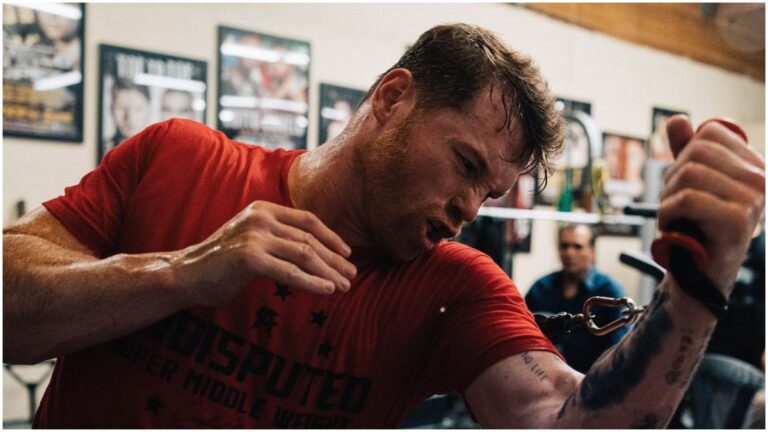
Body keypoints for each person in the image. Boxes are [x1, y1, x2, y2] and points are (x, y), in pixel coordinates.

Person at [4, 23, 764, 428]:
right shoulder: (181, 160)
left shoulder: (451, 288)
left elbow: (567, 425)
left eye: (491, 192)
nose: (473, 208)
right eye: (468, 165)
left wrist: (699, 285)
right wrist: (178, 272)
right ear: (393, 98)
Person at [525, 224, 628, 373]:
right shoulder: (541, 287)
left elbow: (619, 347)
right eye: (564, 246)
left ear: (592, 251)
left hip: (590, 381)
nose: (569, 253)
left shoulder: (609, 291)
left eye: (577, 247)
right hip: (543, 376)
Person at [105, 78, 151, 151]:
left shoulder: (158, 152)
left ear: (148, 111)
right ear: (111, 109)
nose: (130, 117)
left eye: (137, 109)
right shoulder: (104, 149)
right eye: (121, 108)